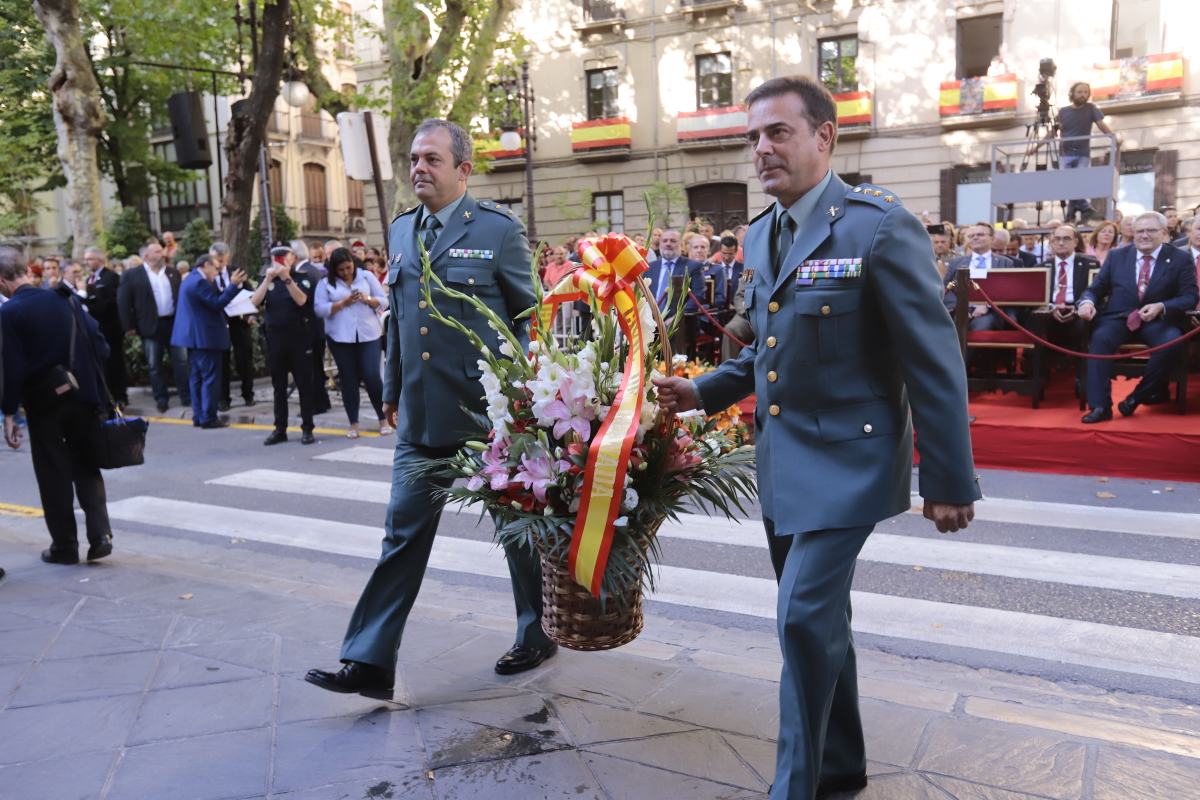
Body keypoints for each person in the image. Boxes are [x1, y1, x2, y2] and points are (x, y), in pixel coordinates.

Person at [652, 76, 979, 800]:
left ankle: (794, 785)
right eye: (753, 137)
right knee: (822, 622)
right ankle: (839, 766)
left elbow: (933, 361)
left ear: (824, 137)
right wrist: (702, 392)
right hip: (784, 461)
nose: (761, 149)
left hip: (852, 462)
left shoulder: (879, 226)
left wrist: (949, 479)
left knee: (800, 617)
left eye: (778, 132)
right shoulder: (765, 233)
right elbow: (767, 347)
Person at [305, 117, 554, 701]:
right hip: (420, 416)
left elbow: (530, 317)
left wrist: (523, 398)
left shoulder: (498, 231)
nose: (419, 168)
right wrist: (391, 387)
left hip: (485, 418)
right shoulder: (399, 231)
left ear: (463, 170)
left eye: (432, 160)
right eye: (415, 159)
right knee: (402, 536)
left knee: (515, 531)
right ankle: (369, 661)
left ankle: (538, 630)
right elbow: (398, 323)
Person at [1, 247, 114, 565]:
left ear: (2, 280)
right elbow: (99, 343)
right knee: (86, 463)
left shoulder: (9, 313)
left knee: (53, 473)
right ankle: (100, 534)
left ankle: (64, 546)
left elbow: (11, 366)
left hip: (45, 402)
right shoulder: (65, 298)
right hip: (84, 395)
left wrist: (9, 412)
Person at [1077, 211, 1197, 422]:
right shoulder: (1117, 256)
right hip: (1119, 318)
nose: (1144, 235)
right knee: (1099, 339)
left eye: (1151, 230)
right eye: (1139, 231)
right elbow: (1095, 289)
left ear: (1163, 232)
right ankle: (1100, 407)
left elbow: (1189, 296)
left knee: (1171, 343)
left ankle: (1137, 397)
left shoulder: (1180, 258)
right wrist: (1087, 302)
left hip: (1158, 320)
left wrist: (1162, 306)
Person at [314, 247, 392, 438]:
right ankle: (353, 423)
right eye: (341, 270)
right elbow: (319, 309)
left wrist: (369, 299)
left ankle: (384, 419)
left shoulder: (366, 276)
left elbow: (384, 301)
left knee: (372, 376)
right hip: (340, 336)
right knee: (348, 379)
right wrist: (342, 303)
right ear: (334, 269)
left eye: (349, 268)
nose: (346, 272)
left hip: (369, 333)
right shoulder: (325, 284)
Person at [251, 243, 318, 445]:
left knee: (304, 385)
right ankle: (280, 428)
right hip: (276, 338)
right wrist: (269, 279)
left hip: (298, 337)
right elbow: (254, 302)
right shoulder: (268, 279)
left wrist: (286, 278)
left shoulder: (301, 276)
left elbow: (301, 301)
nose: (280, 260)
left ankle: (307, 428)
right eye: (276, 257)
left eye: (284, 256)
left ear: (292, 258)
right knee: (278, 387)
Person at [171, 254, 247, 429]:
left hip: (195, 338)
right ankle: (208, 417)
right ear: (206, 265)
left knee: (197, 378)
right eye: (215, 268)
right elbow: (216, 303)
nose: (217, 273)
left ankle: (199, 415)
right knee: (209, 378)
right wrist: (233, 285)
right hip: (204, 337)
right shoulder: (199, 282)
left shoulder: (192, 279)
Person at [117, 241, 190, 413]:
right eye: (157, 251)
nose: (162, 254)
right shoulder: (132, 275)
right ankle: (161, 398)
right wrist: (129, 326)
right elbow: (124, 302)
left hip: (173, 323)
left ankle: (186, 396)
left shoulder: (172, 273)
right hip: (150, 326)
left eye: (162, 250)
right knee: (154, 364)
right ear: (146, 256)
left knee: (181, 362)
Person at [1057, 82, 1116, 223]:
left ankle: (1072, 213)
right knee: (1069, 183)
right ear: (1072, 93)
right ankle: (1084, 208)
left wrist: (1114, 138)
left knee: (1076, 182)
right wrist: (1036, 147)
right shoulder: (1063, 111)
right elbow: (1052, 131)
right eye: (1079, 92)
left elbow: (1101, 125)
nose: (1083, 95)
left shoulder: (1091, 108)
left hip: (1082, 152)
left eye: (1085, 92)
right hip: (1065, 152)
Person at [943, 222, 1017, 330]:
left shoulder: (1005, 263)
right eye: (971, 236)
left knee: (981, 326)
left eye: (980, 235)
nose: (975, 238)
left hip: (990, 312)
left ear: (992, 238)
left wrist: (987, 306)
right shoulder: (956, 263)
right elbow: (946, 289)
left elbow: (1009, 292)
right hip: (959, 311)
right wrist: (961, 308)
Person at [210, 242, 257, 409]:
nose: (220, 264)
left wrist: (251, 314)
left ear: (228, 257)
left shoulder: (236, 271)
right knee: (221, 362)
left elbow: (251, 294)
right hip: (219, 323)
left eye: (223, 260)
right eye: (217, 260)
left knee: (244, 359)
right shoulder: (207, 275)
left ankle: (248, 394)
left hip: (239, 321)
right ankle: (223, 398)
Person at [292, 239, 332, 415]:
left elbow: (303, 301)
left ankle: (317, 404)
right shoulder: (313, 270)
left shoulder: (306, 272)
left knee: (312, 369)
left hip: (310, 328)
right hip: (315, 328)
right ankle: (322, 401)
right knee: (316, 367)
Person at [83, 247, 127, 406]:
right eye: (86, 259)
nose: (86, 262)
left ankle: (120, 395)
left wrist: (91, 304)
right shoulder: (89, 279)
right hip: (97, 329)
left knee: (115, 362)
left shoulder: (111, 277)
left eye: (89, 259)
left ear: (99, 260)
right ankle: (108, 394)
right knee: (104, 364)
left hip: (111, 328)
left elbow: (112, 303)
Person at [644, 229, 705, 316]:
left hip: (679, 321)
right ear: (660, 244)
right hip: (650, 319)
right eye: (665, 241)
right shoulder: (649, 267)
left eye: (673, 241)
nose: (668, 244)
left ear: (680, 244)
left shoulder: (693, 267)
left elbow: (697, 297)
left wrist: (677, 318)